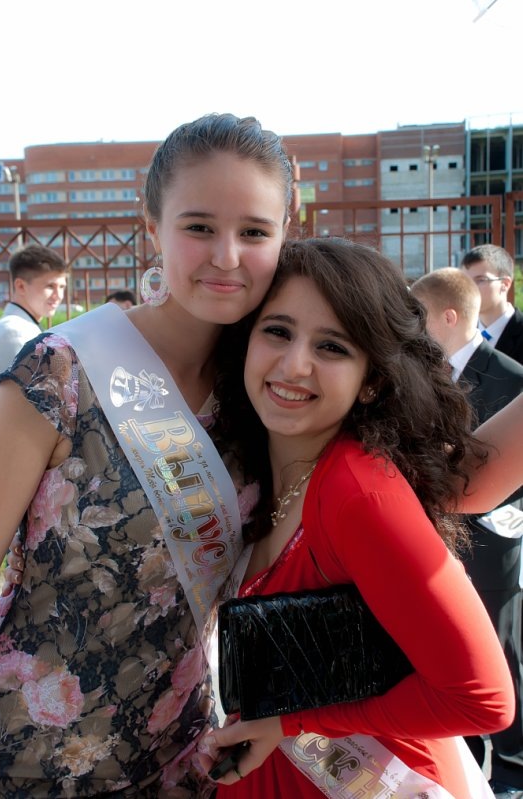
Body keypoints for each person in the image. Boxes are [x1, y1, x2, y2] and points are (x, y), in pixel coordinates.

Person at [0, 113, 293, 797]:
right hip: (24, 759)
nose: (227, 256)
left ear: (283, 236)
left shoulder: (273, 394)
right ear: (152, 226)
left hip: (179, 756)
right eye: (199, 226)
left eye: (254, 232)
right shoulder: (61, 371)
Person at [207, 238, 515, 799]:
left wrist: (292, 722)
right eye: (277, 331)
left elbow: (483, 699)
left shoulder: (359, 492)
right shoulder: (249, 466)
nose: (294, 365)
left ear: (372, 379)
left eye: (332, 346)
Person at [412, 267, 523, 797]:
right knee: (451, 653)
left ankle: (513, 766)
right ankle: (469, 759)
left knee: (502, 649)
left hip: (494, 538)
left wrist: (511, 512)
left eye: (419, 318)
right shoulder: (419, 373)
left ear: (449, 317)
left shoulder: (510, 375)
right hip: (435, 538)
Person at [0, 243, 67, 406]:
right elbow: (34, 406)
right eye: (50, 286)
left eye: (62, 286)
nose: (58, 295)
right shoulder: (15, 333)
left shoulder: (3, 328)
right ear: (21, 286)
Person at [461, 244, 523, 365]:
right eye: (466, 281)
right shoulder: (461, 334)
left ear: (505, 284)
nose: (470, 288)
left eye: (480, 280)